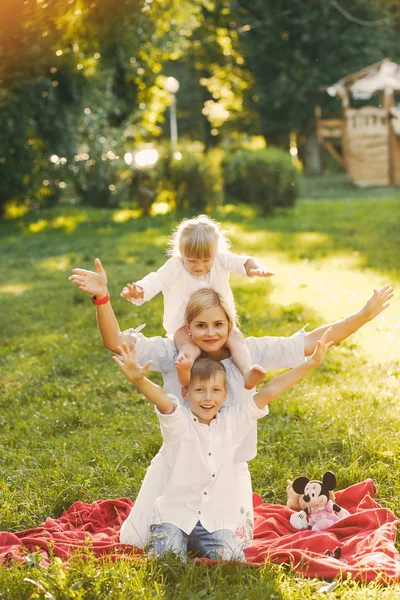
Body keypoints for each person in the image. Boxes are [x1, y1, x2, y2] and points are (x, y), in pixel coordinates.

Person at [68, 258, 393, 547]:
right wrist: (102, 297)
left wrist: (363, 315)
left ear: (230, 325)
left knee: (231, 547)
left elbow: (310, 342)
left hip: (229, 473)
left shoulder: (249, 353)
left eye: (218, 325)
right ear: (188, 328)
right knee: (134, 540)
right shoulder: (173, 353)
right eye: (201, 326)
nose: (210, 333)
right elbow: (115, 342)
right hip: (176, 469)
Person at [112, 330, 333, 561]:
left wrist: (312, 363)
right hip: (173, 517)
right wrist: (138, 379)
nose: (208, 398)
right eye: (200, 390)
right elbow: (162, 399)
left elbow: (271, 389)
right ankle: (173, 543)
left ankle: (197, 544)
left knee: (235, 559)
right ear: (186, 393)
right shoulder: (179, 423)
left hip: (215, 522)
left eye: (215, 390)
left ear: (225, 394)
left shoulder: (233, 422)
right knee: (168, 561)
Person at [119, 214, 274, 389]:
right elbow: (156, 280)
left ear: (215, 253)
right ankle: (185, 367)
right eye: (192, 260)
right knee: (187, 345)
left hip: (218, 322)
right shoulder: (175, 266)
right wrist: (140, 290)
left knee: (236, 338)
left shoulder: (220, 260)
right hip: (182, 324)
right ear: (181, 252)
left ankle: (247, 372)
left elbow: (244, 262)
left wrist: (256, 269)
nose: (199, 266)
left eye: (206, 260)